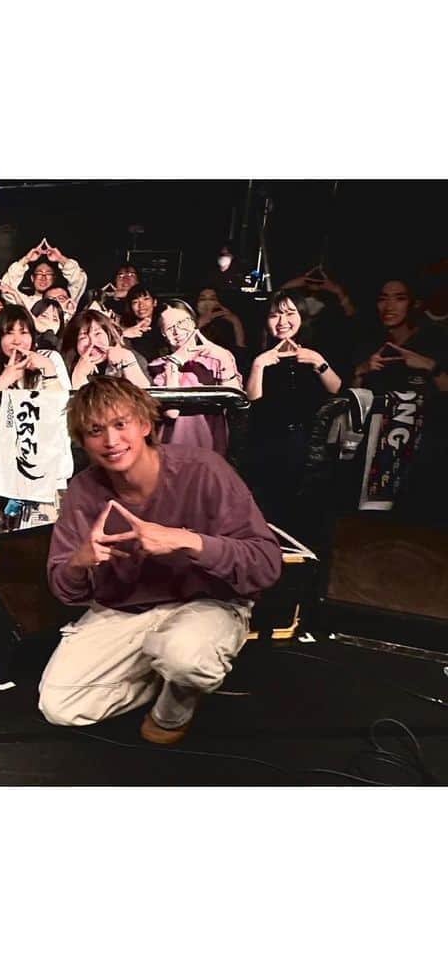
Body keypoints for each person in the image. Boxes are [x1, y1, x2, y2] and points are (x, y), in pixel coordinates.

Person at [39, 377, 282, 744]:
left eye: (121, 424)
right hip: (125, 610)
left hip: (207, 601)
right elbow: (65, 590)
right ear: (83, 441)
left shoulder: (202, 468)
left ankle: (175, 705)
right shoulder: (83, 490)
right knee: (59, 706)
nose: (111, 440)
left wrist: (188, 541)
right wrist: (79, 562)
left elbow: (266, 563)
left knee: (186, 657)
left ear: (144, 424)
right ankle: (165, 670)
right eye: (95, 431)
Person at [244, 291, 343, 531]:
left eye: (290, 314)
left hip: (309, 441)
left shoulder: (316, 348)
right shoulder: (257, 352)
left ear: (302, 316)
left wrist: (319, 362)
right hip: (266, 439)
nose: (282, 321)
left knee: (303, 507)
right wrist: (259, 365)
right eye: (274, 315)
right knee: (268, 504)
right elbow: (252, 401)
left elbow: (338, 389)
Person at [148, 302, 242, 455]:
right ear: (163, 334)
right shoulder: (158, 365)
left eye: (182, 323)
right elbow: (172, 412)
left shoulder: (218, 357)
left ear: (193, 323)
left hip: (211, 442)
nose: (177, 331)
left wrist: (223, 359)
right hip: (173, 446)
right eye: (170, 328)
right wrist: (174, 363)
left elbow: (234, 405)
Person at [0, 304, 71, 391]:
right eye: (9, 333)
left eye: (23, 332)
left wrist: (49, 372)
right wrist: (1, 385)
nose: (17, 341)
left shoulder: (50, 358)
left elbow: (67, 398)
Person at [62, 310, 150, 390]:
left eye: (97, 333)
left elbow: (146, 397)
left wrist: (128, 362)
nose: (92, 342)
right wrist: (79, 375)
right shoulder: (63, 366)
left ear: (108, 335)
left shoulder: (130, 357)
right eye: (83, 337)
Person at [1, 241, 88, 309]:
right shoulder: (27, 303)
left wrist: (60, 258)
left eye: (48, 274)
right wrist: (26, 259)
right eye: (39, 273)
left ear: (54, 278)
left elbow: (79, 280)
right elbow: (6, 287)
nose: (43, 277)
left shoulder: (65, 300)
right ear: (32, 278)